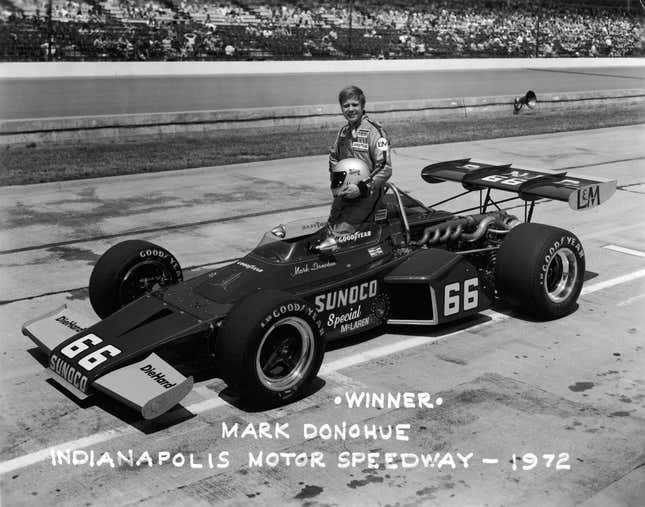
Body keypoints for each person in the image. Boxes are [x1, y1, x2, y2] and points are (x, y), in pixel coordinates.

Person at [328, 85, 392, 234]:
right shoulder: (343, 132)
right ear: (341, 108)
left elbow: (385, 168)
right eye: (346, 106)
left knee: (342, 233)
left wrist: (361, 188)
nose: (350, 109)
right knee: (329, 229)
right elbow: (333, 158)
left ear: (362, 106)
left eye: (354, 105)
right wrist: (337, 184)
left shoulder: (375, 131)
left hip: (368, 195)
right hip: (345, 194)